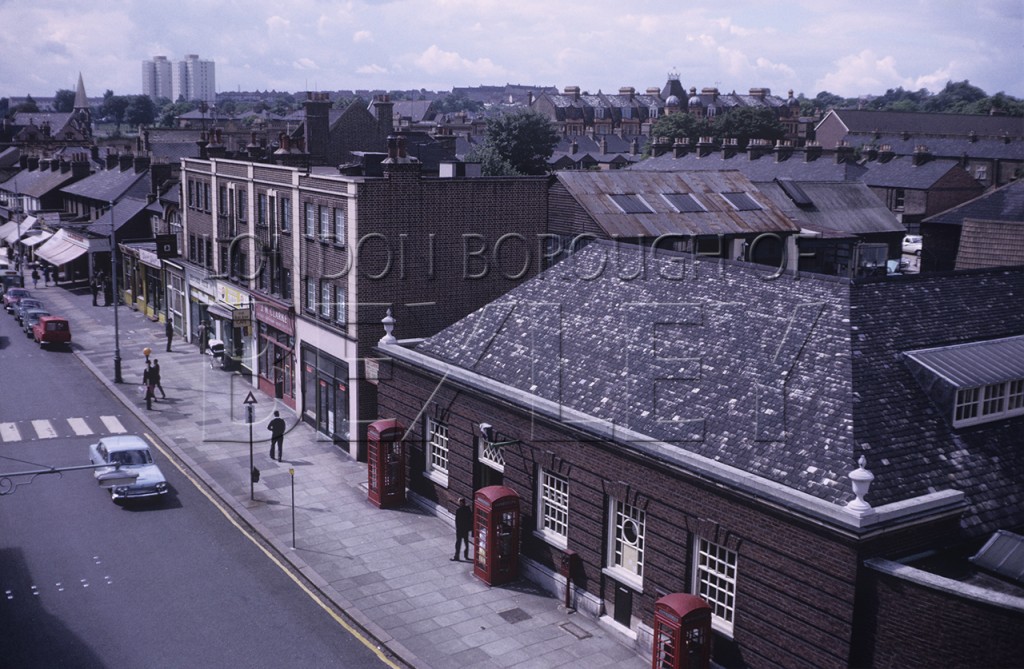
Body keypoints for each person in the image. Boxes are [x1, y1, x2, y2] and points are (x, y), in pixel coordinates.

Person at [453, 497, 473, 561]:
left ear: (461, 503)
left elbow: (457, 521)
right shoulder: (468, 509)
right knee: (466, 543)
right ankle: (466, 556)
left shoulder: (458, 510)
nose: (458, 503)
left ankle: (457, 556)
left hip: (460, 530)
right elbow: (470, 518)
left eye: (459, 502)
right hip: (466, 529)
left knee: (458, 543)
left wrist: (457, 529)